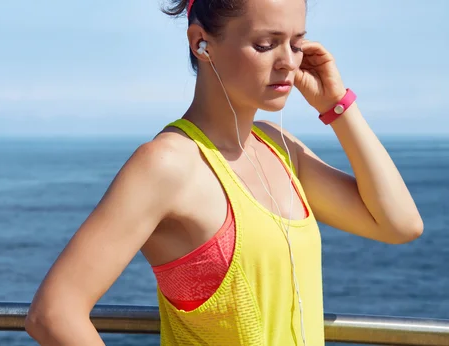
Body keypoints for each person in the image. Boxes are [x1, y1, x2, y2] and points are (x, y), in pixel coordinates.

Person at [25, 0, 423, 344]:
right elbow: (54, 313)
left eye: (297, 43)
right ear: (201, 42)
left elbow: (400, 225)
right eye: (265, 44)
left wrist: (337, 105)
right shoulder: (169, 164)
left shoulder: (282, 150)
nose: (288, 62)